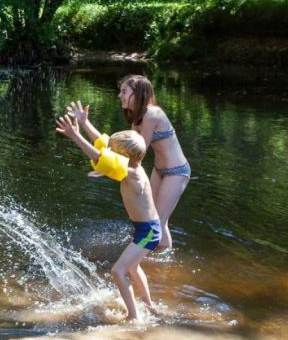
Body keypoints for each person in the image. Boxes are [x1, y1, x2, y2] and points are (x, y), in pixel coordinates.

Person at [56, 116, 160, 321]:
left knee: (118, 271)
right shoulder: (131, 168)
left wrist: (75, 135)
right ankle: (149, 305)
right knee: (132, 267)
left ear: (124, 157)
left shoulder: (133, 174)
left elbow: (101, 157)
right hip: (146, 228)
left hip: (148, 231)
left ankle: (134, 316)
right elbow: (104, 148)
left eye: (114, 154)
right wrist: (85, 123)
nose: (108, 154)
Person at [68, 75, 189, 249]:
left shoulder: (151, 115)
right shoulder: (139, 117)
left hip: (177, 172)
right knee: (154, 218)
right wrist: (85, 123)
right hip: (159, 170)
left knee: (159, 222)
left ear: (138, 92)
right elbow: (117, 147)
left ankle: (163, 265)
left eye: (124, 91)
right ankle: (152, 256)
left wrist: (105, 167)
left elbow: (137, 153)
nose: (120, 96)